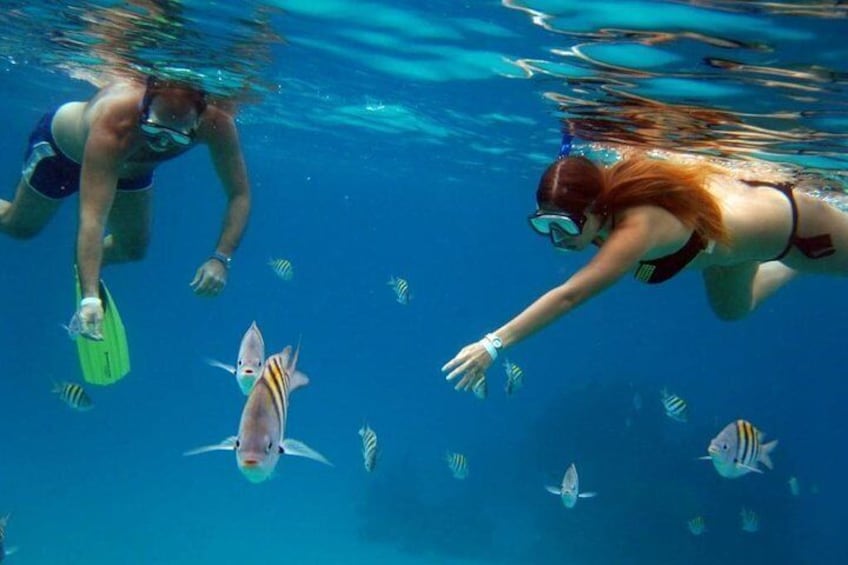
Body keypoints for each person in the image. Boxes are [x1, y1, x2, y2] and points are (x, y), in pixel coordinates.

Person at [442, 143, 848, 391]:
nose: (558, 238)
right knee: (731, 310)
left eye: (565, 225)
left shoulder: (638, 227)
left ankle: (795, 261)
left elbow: (570, 295)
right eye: (544, 225)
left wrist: (494, 344)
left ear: (597, 210)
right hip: (729, 253)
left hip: (803, 230)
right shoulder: (604, 204)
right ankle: (786, 265)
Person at [0, 75, 251, 340]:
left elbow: (239, 194)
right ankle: (87, 272)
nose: (161, 144)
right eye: (154, 130)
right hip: (62, 154)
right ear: (144, 107)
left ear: (199, 120)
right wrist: (90, 300)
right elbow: (93, 218)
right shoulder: (115, 119)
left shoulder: (218, 124)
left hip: (129, 170)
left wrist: (221, 258)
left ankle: (86, 264)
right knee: (19, 227)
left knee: (133, 248)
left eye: (176, 137)